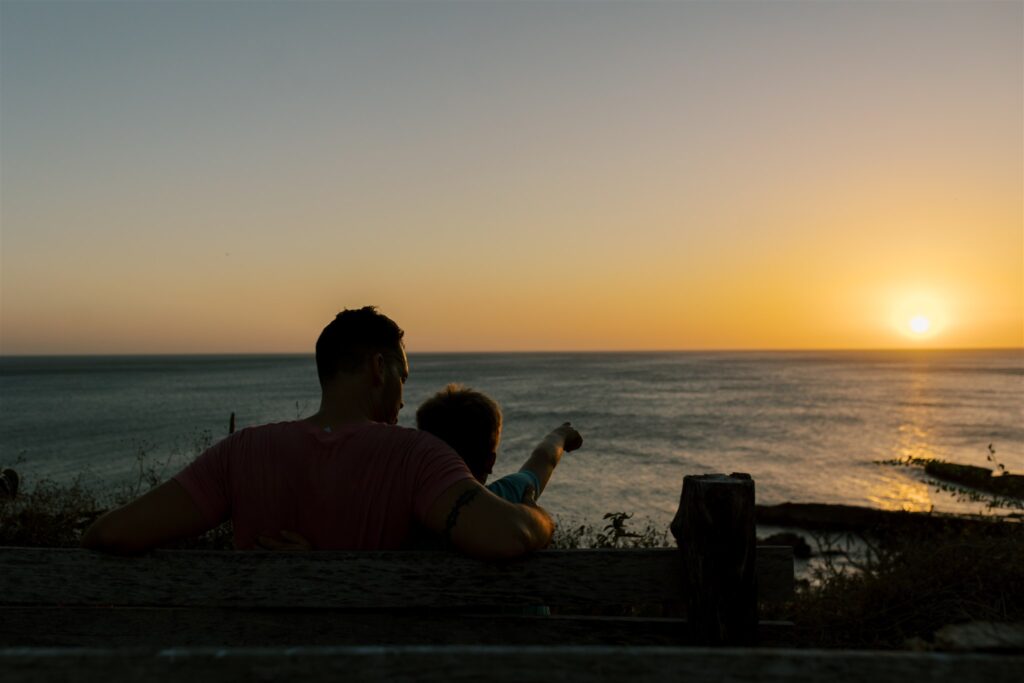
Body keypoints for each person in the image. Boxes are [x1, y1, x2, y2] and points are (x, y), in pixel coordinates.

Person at [81, 306, 556, 559]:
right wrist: (543, 519)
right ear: (377, 368)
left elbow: (114, 533)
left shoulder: (241, 453)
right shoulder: (417, 456)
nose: (404, 397)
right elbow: (509, 535)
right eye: (403, 378)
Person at [415, 384, 582, 505]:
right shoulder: (503, 498)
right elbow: (544, 459)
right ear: (490, 462)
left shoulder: (409, 505)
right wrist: (560, 435)